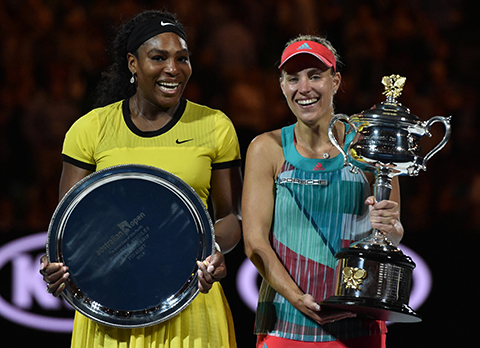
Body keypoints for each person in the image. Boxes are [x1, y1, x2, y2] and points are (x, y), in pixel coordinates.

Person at [39, 10, 242, 348]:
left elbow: (231, 217)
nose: (173, 69)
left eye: (182, 58)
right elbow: (70, 228)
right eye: (158, 57)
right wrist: (55, 263)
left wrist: (214, 250)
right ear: (133, 63)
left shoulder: (215, 125)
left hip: (190, 305)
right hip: (109, 311)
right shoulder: (90, 129)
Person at [242, 35, 404, 348]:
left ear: (335, 81)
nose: (304, 88)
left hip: (360, 326)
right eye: (293, 78)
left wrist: (392, 227)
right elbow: (254, 242)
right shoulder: (266, 149)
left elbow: (391, 237)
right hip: (285, 325)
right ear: (282, 85)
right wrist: (298, 299)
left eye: (315, 76)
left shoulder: (369, 145)